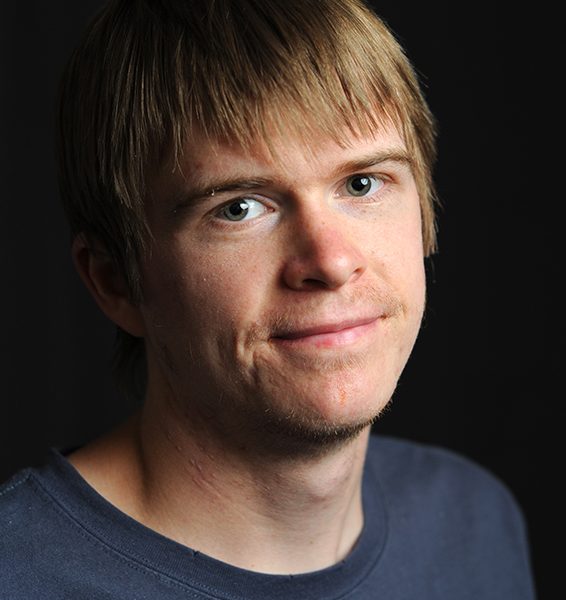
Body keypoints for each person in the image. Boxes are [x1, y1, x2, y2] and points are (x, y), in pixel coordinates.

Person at [0, 0, 535, 598]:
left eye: (362, 183)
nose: (329, 262)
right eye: (239, 207)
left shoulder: (475, 523)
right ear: (115, 281)